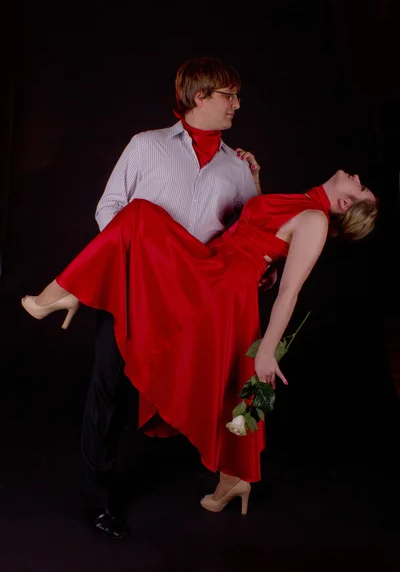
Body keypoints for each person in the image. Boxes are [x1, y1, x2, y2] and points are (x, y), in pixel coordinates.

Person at [21, 169, 378, 518]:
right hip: (216, 265)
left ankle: (57, 294)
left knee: (140, 217)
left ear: (345, 202)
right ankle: (233, 479)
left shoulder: (315, 219)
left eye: (360, 188)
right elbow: (267, 229)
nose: (357, 177)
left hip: (223, 288)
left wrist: (267, 350)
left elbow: (290, 293)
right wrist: (255, 184)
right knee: (230, 381)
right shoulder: (304, 203)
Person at [37, 55, 263, 539]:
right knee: (109, 392)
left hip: (195, 305)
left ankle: (230, 474)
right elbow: (111, 208)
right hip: (136, 290)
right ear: (200, 96)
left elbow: (247, 239)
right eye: (230, 96)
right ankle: (99, 502)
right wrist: (140, 265)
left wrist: (259, 188)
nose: (237, 105)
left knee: (220, 384)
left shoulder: (239, 168)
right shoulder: (147, 145)